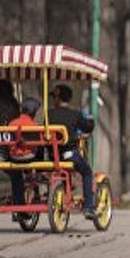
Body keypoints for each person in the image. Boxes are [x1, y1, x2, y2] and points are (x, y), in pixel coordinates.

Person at [47, 84, 97, 217]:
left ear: (57, 99)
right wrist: (91, 121)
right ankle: (88, 207)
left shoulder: (48, 114)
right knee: (87, 172)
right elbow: (87, 128)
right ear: (68, 99)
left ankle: (67, 188)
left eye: (53, 97)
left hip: (51, 156)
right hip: (69, 156)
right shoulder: (75, 114)